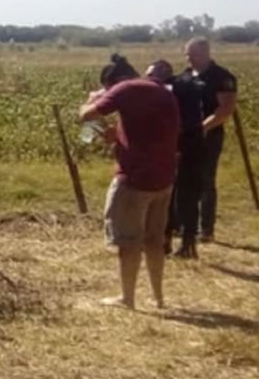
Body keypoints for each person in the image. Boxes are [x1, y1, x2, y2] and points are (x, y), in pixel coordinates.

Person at [79, 59, 179, 309]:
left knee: (128, 242)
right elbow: (146, 128)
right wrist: (118, 134)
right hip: (163, 178)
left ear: (113, 82)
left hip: (135, 180)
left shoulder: (125, 89)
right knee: (154, 240)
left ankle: (127, 298)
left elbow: (86, 116)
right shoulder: (159, 89)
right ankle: (158, 297)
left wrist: (92, 100)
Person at [181, 37, 238, 242]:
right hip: (185, 135)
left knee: (205, 180)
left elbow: (225, 109)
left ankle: (206, 229)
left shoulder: (222, 77)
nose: (189, 59)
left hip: (209, 135)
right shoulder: (186, 76)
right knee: (183, 179)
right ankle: (183, 224)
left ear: (206, 53)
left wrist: (202, 128)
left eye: (194, 55)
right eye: (187, 55)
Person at [154, 58, 206, 258]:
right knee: (181, 195)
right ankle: (180, 242)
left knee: (178, 194)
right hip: (190, 143)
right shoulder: (187, 86)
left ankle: (178, 242)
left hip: (181, 144)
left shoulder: (168, 90)